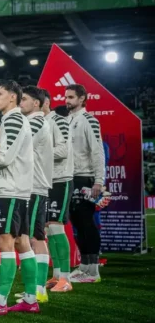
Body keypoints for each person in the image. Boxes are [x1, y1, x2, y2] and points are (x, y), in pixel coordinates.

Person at [0, 80, 38, 315]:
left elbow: (4, 157)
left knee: (5, 243)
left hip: (11, 190)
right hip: (18, 189)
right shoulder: (14, 119)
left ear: (13, 97)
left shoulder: (14, 119)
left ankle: (0, 301)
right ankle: (30, 299)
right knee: (22, 243)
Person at [12, 86, 53, 304]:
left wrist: (3, 138)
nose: (21, 102)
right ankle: (36, 289)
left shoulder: (36, 121)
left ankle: (39, 290)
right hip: (30, 186)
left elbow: (22, 145)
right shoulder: (31, 121)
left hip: (35, 186)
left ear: (36, 103)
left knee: (36, 237)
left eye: (25, 99)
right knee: (30, 237)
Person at [65, 84, 105, 283]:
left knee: (86, 223)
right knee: (77, 224)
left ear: (82, 99)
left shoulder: (89, 120)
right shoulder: (67, 120)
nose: (67, 101)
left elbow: (97, 151)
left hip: (85, 177)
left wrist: (98, 180)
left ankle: (93, 271)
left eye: (71, 97)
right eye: (66, 97)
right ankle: (84, 267)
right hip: (70, 177)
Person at [40, 89, 74, 293]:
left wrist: (38, 152)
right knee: (49, 229)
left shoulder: (58, 121)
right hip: (46, 181)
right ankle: (56, 275)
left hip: (60, 179)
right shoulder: (40, 123)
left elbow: (63, 150)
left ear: (44, 102)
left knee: (56, 227)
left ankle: (66, 279)